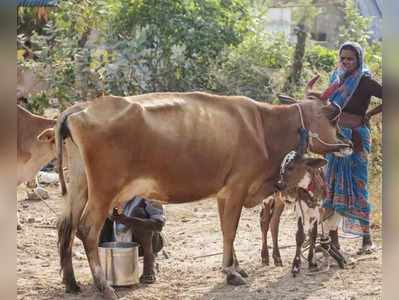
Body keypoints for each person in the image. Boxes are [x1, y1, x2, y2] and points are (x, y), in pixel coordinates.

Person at [321, 41, 382, 255]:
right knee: (330, 183)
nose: (346, 62)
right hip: (334, 137)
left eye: (351, 59)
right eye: (343, 58)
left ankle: (366, 240)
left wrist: (370, 114)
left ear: (359, 60)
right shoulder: (336, 79)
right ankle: (329, 239)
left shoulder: (364, 81)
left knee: (359, 183)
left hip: (356, 139)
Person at [99, 196, 166, 283]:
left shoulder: (148, 191)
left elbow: (158, 224)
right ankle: (105, 265)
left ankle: (149, 263)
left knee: (139, 212)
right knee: (99, 217)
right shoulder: (114, 190)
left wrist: (125, 220)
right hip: (117, 244)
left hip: (146, 244)